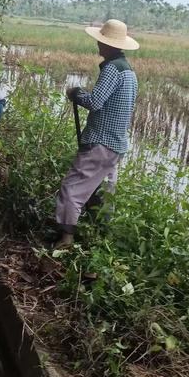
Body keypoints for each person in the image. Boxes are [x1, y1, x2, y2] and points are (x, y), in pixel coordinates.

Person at [53, 19, 139, 248]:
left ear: (108, 44)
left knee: (72, 188)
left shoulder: (112, 68)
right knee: (103, 193)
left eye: (100, 41)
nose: (97, 45)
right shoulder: (129, 71)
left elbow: (95, 101)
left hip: (100, 142)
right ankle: (99, 239)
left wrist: (76, 93)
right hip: (117, 144)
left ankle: (67, 238)